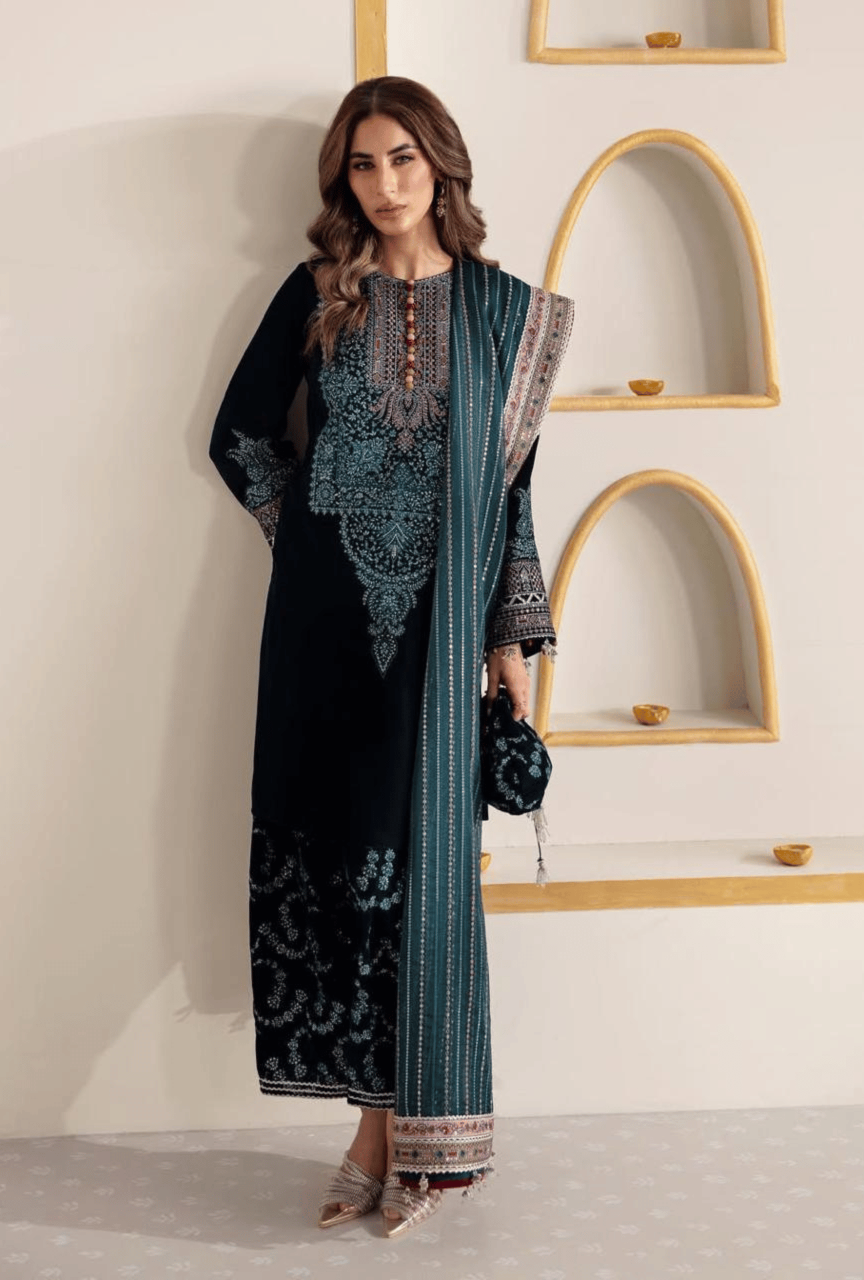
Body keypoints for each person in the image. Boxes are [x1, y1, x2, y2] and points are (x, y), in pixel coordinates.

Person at [209, 75, 573, 1236]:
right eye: (362, 166)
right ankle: (371, 1134)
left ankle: (406, 1142)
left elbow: (512, 493)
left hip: (440, 639)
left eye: (403, 160)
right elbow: (238, 434)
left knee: (416, 885)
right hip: (324, 641)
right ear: (343, 181)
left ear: (442, 167)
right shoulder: (317, 293)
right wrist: (309, 537)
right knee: (343, 888)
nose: (384, 184)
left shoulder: (504, 314)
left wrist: (513, 636)